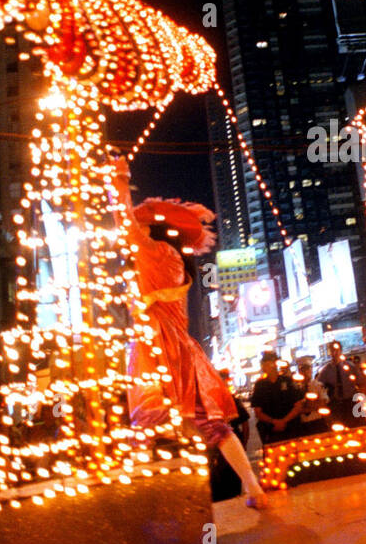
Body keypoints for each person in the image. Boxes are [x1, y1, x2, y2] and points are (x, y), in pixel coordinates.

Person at [110, 161, 268, 509]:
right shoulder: (172, 258)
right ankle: (251, 490)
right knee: (205, 424)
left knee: (153, 425)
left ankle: (163, 503)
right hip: (175, 348)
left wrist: (118, 183)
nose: (136, 229)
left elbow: (124, 227)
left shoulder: (157, 254)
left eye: (143, 225)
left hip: (158, 349)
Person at [250, 352, 305, 446]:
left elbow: (298, 406)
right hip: (270, 430)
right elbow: (258, 412)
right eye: (265, 364)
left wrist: (283, 421)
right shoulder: (260, 385)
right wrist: (274, 422)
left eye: (270, 363)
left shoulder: (288, 381)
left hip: (291, 428)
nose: (268, 367)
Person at [317, 340, 366, 427]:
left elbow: (361, 384)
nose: (335, 353)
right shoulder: (325, 371)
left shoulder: (350, 367)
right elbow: (318, 387)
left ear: (341, 351)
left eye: (337, 350)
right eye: (332, 350)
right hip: (336, 404)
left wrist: (361, 405)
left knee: (356, 425)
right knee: (340, 426)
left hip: (352, 401)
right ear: (330, 352)